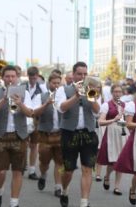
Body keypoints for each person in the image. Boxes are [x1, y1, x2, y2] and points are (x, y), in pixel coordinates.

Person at [0, 65, 34, 207]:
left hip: (19, 136)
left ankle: (14, 203)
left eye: (13, 76)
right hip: (0, 136)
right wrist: (4, 99)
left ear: (17, 78)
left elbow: (30, 113)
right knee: (0, 171)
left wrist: (20, 103)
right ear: (3, 78)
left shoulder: (24, 92)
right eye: (7, 76)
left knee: (18, 170)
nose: (11, 79)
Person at [55, 62, 101, 207]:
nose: (82, 76)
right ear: (73, 75)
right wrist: (76, 96)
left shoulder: (92, 89)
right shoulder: (63, 90)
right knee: (68, 170)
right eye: (79, 74)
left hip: (88, 133)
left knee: (87, 168)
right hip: (69, 134)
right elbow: (61, 108)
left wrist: (91, 96)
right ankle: (64, 190)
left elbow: (97, 111)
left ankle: (84, 202)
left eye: (84, 74)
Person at [32, 74, 63, 197]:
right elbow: (34, 113)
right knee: (44, 162)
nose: (56, 86)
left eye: (58, 83)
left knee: (60, 162)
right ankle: (43, 174)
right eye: (54, 83)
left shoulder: (63, 96)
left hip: (60, 133)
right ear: (48, 83)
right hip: (45, 134)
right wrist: (46, 104)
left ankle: (58, 186)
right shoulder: (40, 96)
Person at [96, 84, 129, 195]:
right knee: (112, 161)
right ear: (112, 93)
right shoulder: (106, 105)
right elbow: (100, 121)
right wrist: (113, 119)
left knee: (120, 160)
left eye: (119, 91)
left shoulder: (125, 105)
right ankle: (107, 176)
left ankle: (117, 187)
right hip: (111, 132)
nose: (117, 93)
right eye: (115, 91)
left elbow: (129, 121)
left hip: (122, 133)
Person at [22, 66, 48, 180]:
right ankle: (22, 165)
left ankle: (32, 170)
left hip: (36, 119)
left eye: (35, 78)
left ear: (37, 76)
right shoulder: (22, 87)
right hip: (24, 118)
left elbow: (45, 100)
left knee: (34, 145)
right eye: (31, 78)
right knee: (23, 145)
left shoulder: (42, 88)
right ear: (28, 77)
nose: (33, 80)